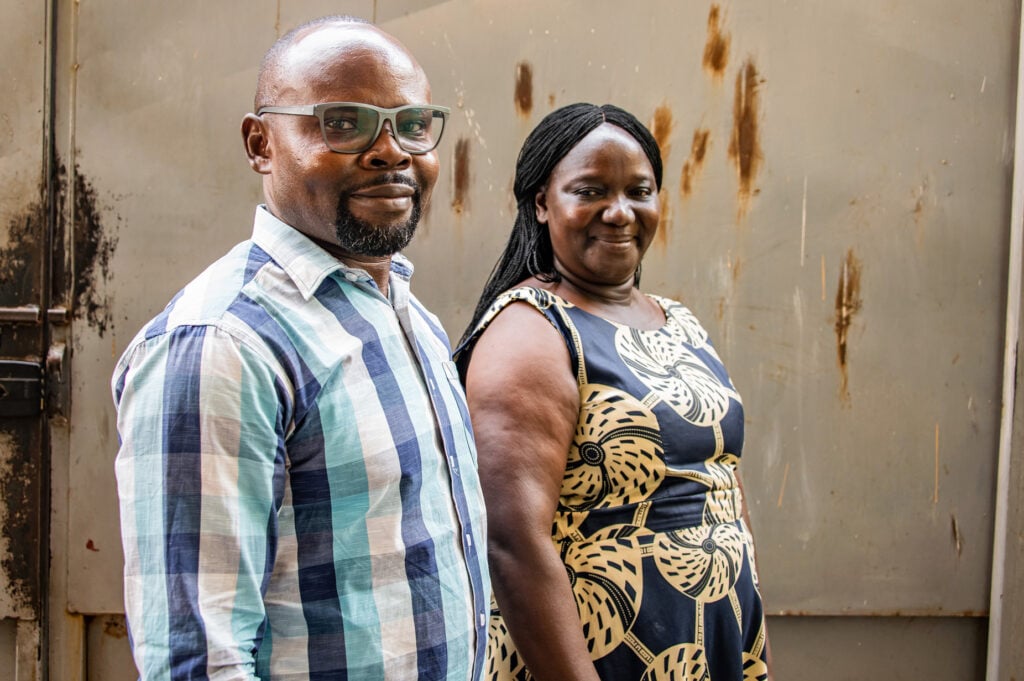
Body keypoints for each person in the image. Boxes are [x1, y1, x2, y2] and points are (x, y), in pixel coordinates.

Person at [112, 16, 489, 680]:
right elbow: (198, 659)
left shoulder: (405, 312)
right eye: (343, 124)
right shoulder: (222, 345)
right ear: (261, 143)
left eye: (412, 123)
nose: (391, 150)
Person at [455, 103, 772, 681]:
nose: (620, 212)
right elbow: (510, 540)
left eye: (640, 190)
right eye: (591, 190)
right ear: (542, 204)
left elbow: (722, 484)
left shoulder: (676, 320)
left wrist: (748, 632)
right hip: (600, 655)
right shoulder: (531, 331)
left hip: (705, 642)